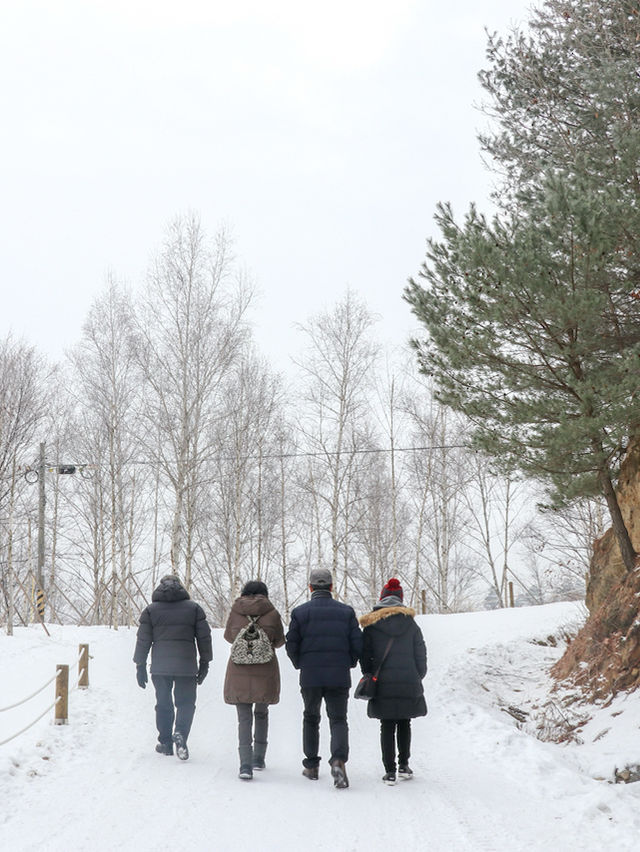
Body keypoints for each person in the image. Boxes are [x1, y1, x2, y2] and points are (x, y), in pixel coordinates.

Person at [285, 567, 362, 789]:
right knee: (338, 719)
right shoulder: (346, 612)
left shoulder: (300, 613)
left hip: (310, 675)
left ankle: (311, 766)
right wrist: (349, 662)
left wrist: (300, 663)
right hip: (338, 675)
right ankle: (338, 760)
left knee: (311, 717)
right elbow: (358, 643)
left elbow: (292, 644)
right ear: (331, 587)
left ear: (310, 587)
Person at [133, 573, 212, 761]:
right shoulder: (194, 609)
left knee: (163, 704)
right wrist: (205, 663)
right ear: (181, 587)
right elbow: (204, 638)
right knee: (185, 703)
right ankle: (181, 734)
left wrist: (140, 665)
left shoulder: (151, 610)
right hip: (186, 665)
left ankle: (166, 743)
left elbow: (143, 640)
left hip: (160, 666)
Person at [359, 577, 427, 785]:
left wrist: (370, 673)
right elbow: (421, 653)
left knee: (386, 725)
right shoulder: (411, 625)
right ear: (400, 599)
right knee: (404, 722)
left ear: (381, 599)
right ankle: (404, 766)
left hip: (382, 681)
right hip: (408, 679)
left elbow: (365, 655)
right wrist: (418, 674)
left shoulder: (371, 626)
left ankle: (389, 771)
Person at [223, 580, 285, 781]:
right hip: (265, 669)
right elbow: (279, 641)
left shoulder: (235, 612)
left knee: (243, 717)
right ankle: (259, 758)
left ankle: (245, 765)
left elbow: (229, 637)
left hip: (239, 668)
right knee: (261, 713)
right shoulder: (272, 613)